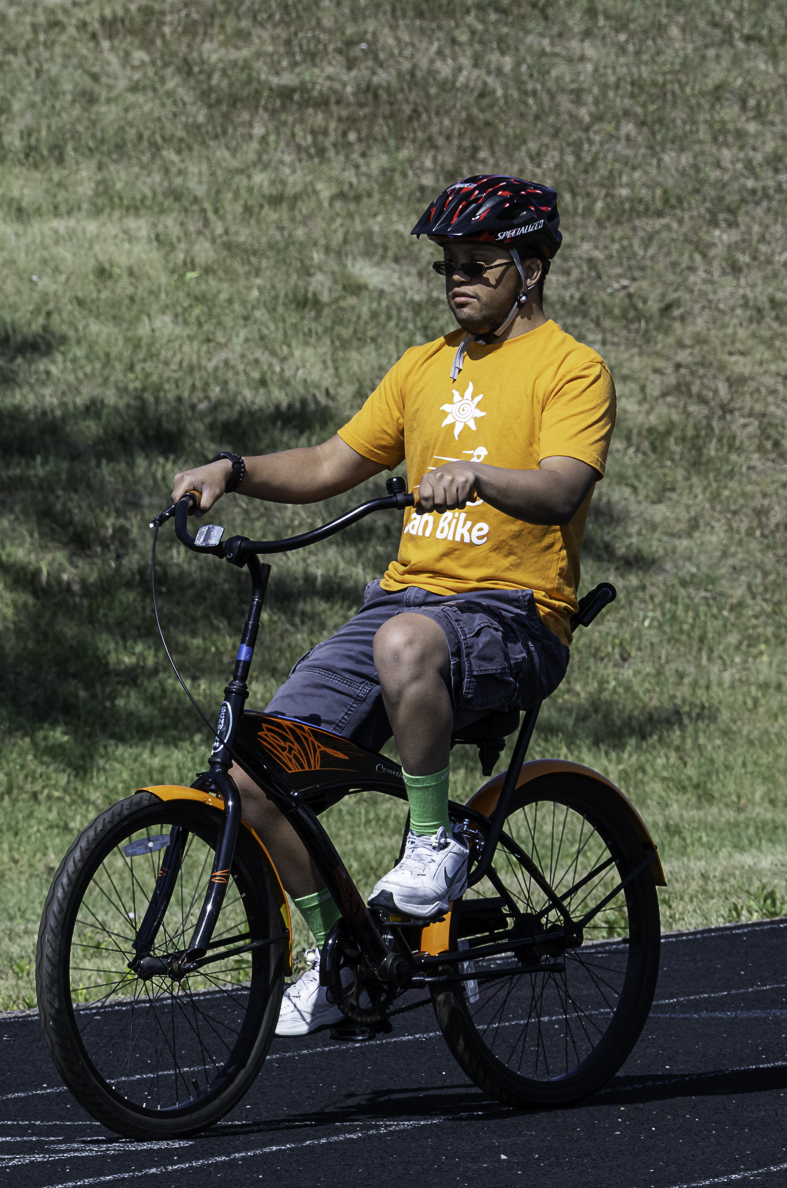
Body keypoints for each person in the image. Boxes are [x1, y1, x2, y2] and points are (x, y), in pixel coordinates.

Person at [169, 174, 615, 1035]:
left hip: (514, 618)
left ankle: (431, 844)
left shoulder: (573, 370)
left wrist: (481, 477)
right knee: (249, 770)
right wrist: (233, 471)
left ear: (531, 267)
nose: (459, 278)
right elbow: (333, 462)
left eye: (479, 264)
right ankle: (344, 957)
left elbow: (561, 490)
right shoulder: (421, 367)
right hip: (403, 610)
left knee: (409, 642)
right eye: (449, 265)